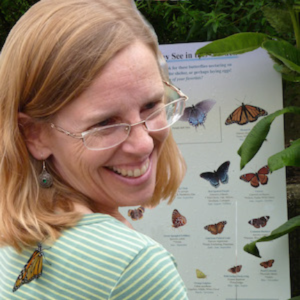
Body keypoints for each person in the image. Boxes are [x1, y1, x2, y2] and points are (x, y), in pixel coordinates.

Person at [0, 0, 188, 299]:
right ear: (34, 134)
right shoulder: (134, 266)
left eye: (151, 106)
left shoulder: (13, 237)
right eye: (104, 123)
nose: (143, 143)